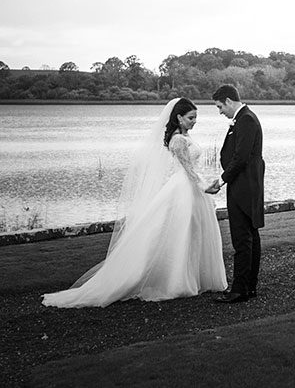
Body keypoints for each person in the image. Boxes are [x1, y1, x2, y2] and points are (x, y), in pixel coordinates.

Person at [42, 98, 226, 308]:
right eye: (191, 118)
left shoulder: (185, 136)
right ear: (179, 118)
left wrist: (203, 188)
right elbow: (187, 170)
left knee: (191, 232)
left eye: (196, 118)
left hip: (190, 188)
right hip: (184, 188)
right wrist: (204, 187)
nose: (195, 122)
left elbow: (191, 170)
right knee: (180, 232)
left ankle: (192, 275)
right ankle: (176, 280)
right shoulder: (178, 141)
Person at [207, 84, 265, 303]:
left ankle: (241, 289)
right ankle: (248, 286)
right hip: (246, 186)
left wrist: (221, 181)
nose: (220, 111)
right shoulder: (243, 119)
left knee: (243, 239)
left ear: (229, 101)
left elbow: (240, 158)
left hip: (243, 187)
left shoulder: (246, 120)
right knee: (250, 237)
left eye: (220, 106)